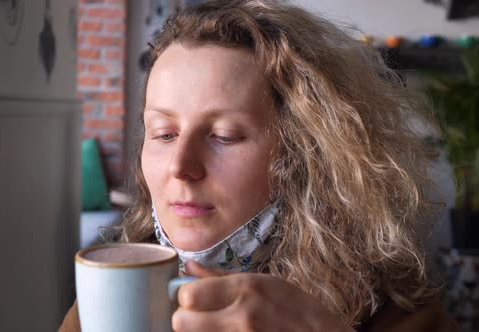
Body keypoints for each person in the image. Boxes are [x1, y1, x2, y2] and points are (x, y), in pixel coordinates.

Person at [60, 0, 458, 331]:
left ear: (306, 153)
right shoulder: (108, 294)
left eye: (224, 136)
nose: (180, 167)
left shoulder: (403, 314)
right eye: (164, 134)